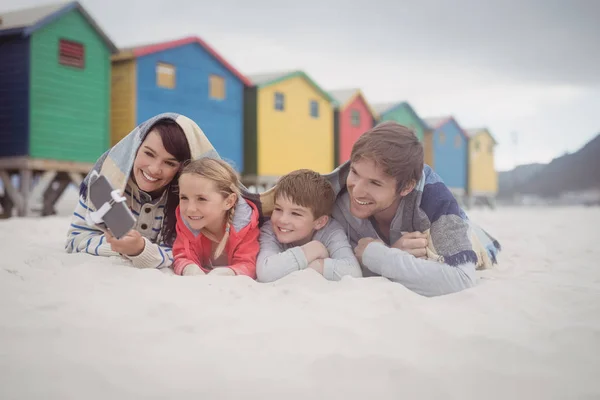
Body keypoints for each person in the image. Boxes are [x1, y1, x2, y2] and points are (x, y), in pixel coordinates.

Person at [321, 121, 502, 297]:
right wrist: (393, 251)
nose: (357, 191)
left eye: (375, 183)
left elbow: (461, 279)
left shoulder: (434, 199)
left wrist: (378, 254)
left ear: (406, 187)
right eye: (355, 172)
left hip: (468, 237)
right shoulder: (333, 196)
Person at [65, 112, 220, 269]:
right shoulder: (108, 180)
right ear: (135, 147)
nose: (154, 169)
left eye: (169, 163)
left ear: (181, 168)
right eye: (148, 153)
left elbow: (188, 253)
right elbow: (75, 239)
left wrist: (141, 250)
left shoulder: (185, 200)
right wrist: (120, 247)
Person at [256, 169, 362, 282]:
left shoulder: (331, 231)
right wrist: (313, 249)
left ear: (320, 222)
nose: (282, 219)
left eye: (295, 213)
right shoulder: (270, 229)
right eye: (278, 209)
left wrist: (317, 266)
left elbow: (353, 272)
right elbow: (266, 272)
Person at [172, 158, 260, 278]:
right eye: (184, 198)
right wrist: (189, 268)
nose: (190, 209)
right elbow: (181, 256)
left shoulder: (245, 226)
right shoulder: (186, 223)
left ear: (229, 201)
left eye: (201, 199)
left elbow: (248, 264)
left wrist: (229, 273)